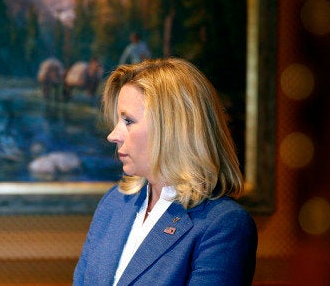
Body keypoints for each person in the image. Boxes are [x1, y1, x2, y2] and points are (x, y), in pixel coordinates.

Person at [74, 58, 258, 285]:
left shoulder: (224, 225)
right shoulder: (114, 203)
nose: (113, 135)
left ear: (172, 128)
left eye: (128, 121)